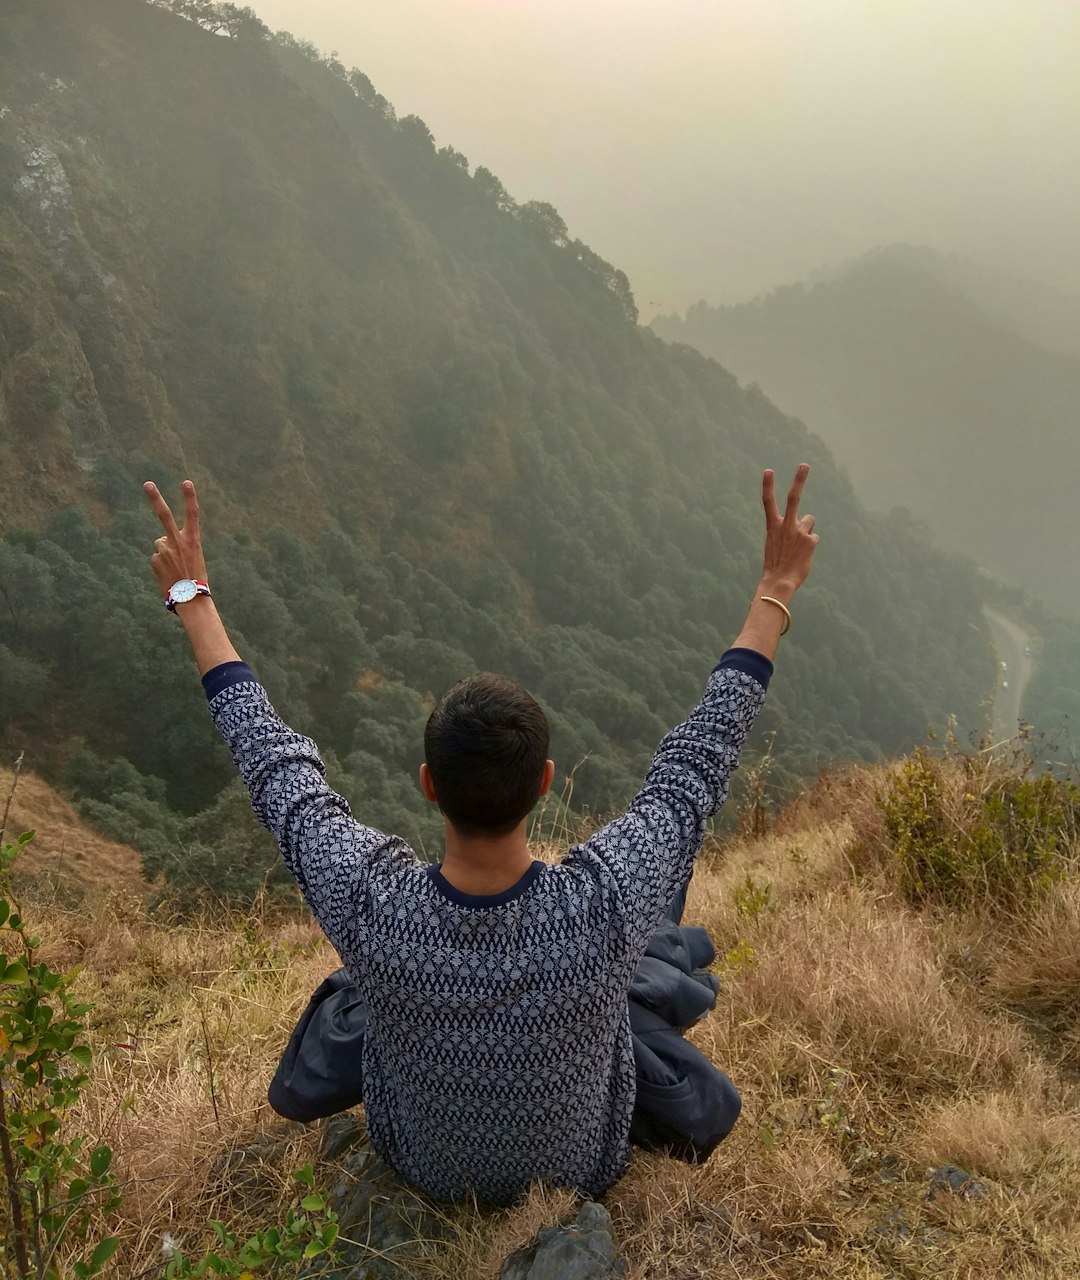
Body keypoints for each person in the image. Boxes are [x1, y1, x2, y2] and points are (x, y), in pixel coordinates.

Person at [142, 464, 818, 1204]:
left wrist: (192, 597)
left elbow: (272, 764)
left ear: (429, 786)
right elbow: (697, 761)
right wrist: (775, 589)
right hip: (577, 1173)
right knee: (665, 858)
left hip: (424, 1169)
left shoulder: (374, 908)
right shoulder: (600, 908)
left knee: (355, 987)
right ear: (546, 782)